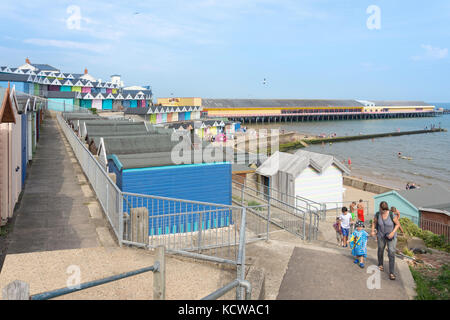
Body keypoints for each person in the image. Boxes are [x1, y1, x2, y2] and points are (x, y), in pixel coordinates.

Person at [371, 201, 400, 280]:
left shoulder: (391, 215)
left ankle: (391, 272)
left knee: (391, 252)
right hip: (381, 235)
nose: (383, 212)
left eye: (384, 210)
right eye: (381, 210)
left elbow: (398, 224)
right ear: (380, 208)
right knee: (380, 249)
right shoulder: (378, 214)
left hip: (391, 236)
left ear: (386, 209)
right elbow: (374, 222)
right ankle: (380, 264)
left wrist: (393, 233)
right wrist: (373, 231)